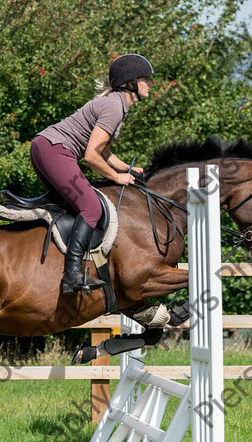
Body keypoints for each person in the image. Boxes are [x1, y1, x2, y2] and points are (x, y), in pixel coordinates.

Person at [30, 54, 159, 294]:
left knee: (70, 207)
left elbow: (104, 152)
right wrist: (116, 177)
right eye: (145, 79)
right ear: (130, 83)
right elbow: (91, 156)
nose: (150, 84)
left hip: (44, 146)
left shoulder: (116, 103)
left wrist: (127, 169)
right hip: (56, 151)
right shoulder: (114, 107)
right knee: (91, 207)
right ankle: (72, 276)